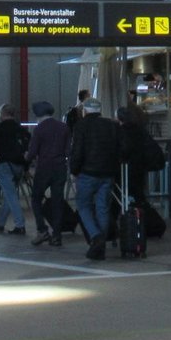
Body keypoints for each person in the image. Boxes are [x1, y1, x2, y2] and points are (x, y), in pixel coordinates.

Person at [68, 97, 120, 259]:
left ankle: (96, 236)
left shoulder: (81, 126)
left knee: (83, 205)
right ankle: (101, 244)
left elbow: (77, 151)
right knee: (102, 208)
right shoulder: (111, 125)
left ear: (85, 110)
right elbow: (118, 148)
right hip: (108, 173)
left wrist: (74, 170)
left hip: (87, 173)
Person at [25, 101, 69, 247]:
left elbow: (32, 152)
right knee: (57, 201)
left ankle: (42, 230)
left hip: (44, 167)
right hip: (60, 167)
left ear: (37, 114)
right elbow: (68, 149)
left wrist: (25, 159)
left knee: (36, 198)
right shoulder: (63, 127)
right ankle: (57, 235)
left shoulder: (39, 129)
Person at [0, 104, 28, 234]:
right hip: (18, 166)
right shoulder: (20, 128)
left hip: (4, 165)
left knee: (11, 195)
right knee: (8, 194)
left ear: (3, 113)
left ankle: (20, 224)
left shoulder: (0, 128)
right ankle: (0, 222)